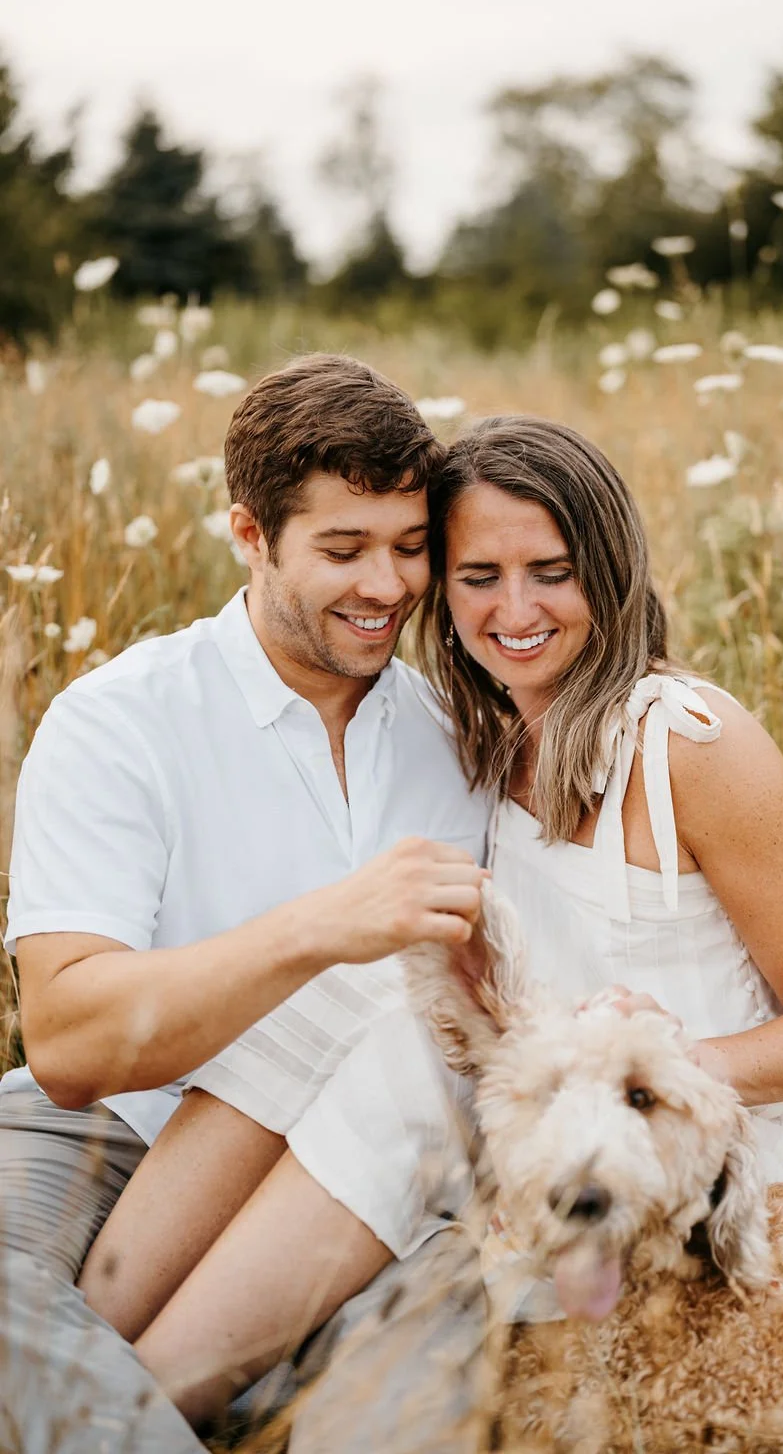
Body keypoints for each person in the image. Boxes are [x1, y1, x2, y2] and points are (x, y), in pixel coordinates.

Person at [81, 414, 783, 1443]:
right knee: (351, 985)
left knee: (399, 1057)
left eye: (551, 571)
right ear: (441, 590)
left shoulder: (690, 746)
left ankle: (136, 1405)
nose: (514, 609)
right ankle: (99, 1343)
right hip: (548, 1128)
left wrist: (653, 1071)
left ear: (609, 573)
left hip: (681, 1148)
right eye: (478, 575)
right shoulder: (484, 740)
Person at [0, 352, 491, 1452]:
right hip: (108, 1129)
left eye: (411, 548)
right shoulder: (121, 719)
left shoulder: (466, 737)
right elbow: (72, 1043)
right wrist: (325, 926)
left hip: (348, 1164)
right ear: (249, 535)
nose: (386, 586)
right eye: (343, 549)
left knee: (439, 1349)